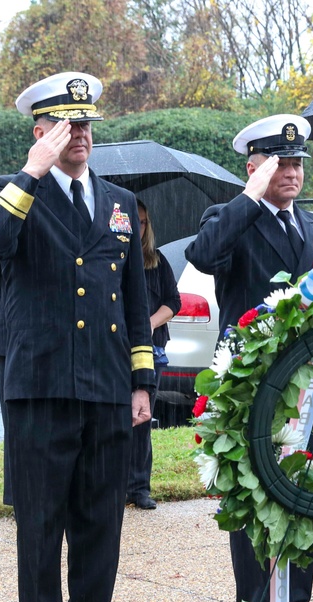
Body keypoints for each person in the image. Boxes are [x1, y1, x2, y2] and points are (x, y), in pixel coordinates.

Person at [0, 72, 154, 602]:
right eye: (66, 124)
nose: (81, 134)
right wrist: (31, 174)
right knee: (42, 527)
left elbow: (136, 302)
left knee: (101, 524)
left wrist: (141, 383)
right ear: (40, 132)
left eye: (87, 123)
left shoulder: (120, 202)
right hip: (41, 383)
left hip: (104, 385)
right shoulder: (13, 192)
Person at [185, 114, 313, 602]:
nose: (291, 172)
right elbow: (202, 257)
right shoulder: (231, 217)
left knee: (306, 499)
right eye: (279, 162)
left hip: (312, 385)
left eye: (296, 163)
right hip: (254, 389)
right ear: (254, 167)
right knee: (254, 504)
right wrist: (247, 197)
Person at [127, 199, 181, 510]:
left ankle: (139, 487)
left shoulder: (156, 261)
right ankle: (116, 485)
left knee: (142, 419)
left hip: (151, 350)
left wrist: (147, 323)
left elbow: (173, 301)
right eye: (133, 221)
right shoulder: (112, 258)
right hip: (114, 350)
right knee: (114, 421)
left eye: (144, 222)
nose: (138, 227)